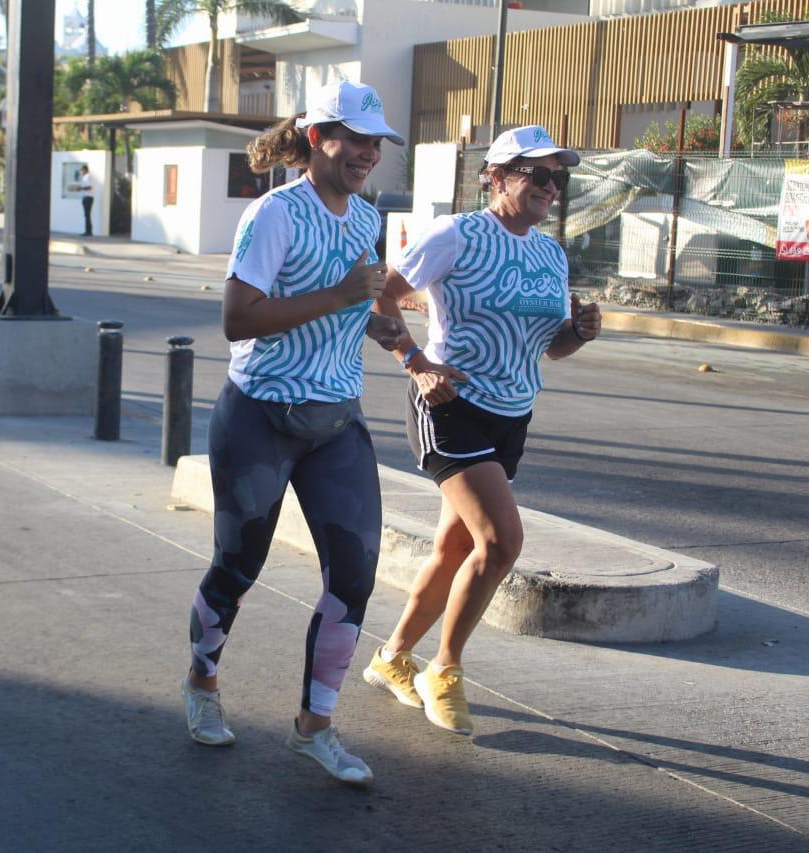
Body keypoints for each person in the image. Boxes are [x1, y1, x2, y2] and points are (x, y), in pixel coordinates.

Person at [180, 80, 408, 787]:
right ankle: (203, 682)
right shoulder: (274, 214)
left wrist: (376, 324)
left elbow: (339, 311)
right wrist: (342, 296)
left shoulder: (365, 217)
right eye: (355, 139)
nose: (368, 153)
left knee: (355, 577)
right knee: (237, 566)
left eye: (377, 142)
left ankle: (315, 726)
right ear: (317, 138)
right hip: (262, 416)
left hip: (337, 420)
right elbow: (239, 318)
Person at [361, 125, 601, 736]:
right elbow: (380, 300)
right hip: (451, 405)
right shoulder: (458, 234)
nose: (550, 186)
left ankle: (390, 659)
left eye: (558, 177)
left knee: (456, 549)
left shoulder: (550, 252)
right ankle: (444, 668)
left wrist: (581, 331)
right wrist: (417, 366)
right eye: (535, 174)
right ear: (494, 177)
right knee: (500, 542)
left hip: (513, 412)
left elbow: (551, 348)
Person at [77, 164, 95, 236]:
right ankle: (88, 231)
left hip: (88, 197)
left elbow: (89, 187)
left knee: (87, 215)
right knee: (87, 215)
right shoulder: (86, 177)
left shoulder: (87, 177)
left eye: (82, 170)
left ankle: (88, 231)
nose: (81, 172)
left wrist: (81, 188)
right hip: (87, 197)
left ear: (85, 170)